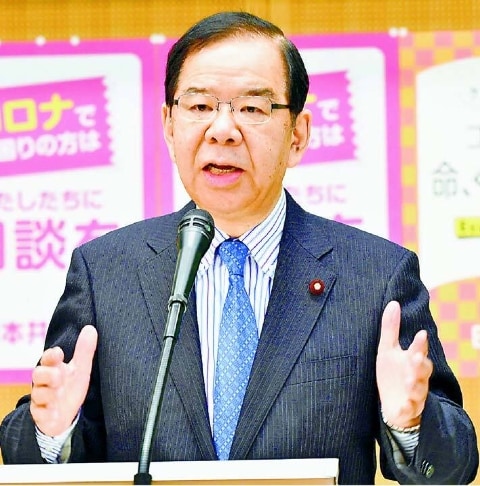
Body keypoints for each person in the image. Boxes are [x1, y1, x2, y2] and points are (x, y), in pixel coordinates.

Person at [0, 11, 478, 485]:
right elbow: (28, 450)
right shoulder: (106, 272)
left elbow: (453, 467)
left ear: (298, 135)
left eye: (252, 108)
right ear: (169, 126)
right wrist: (51, 432)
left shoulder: (375, 276)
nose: (222, 129)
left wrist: (410, 423)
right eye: (199, 106)